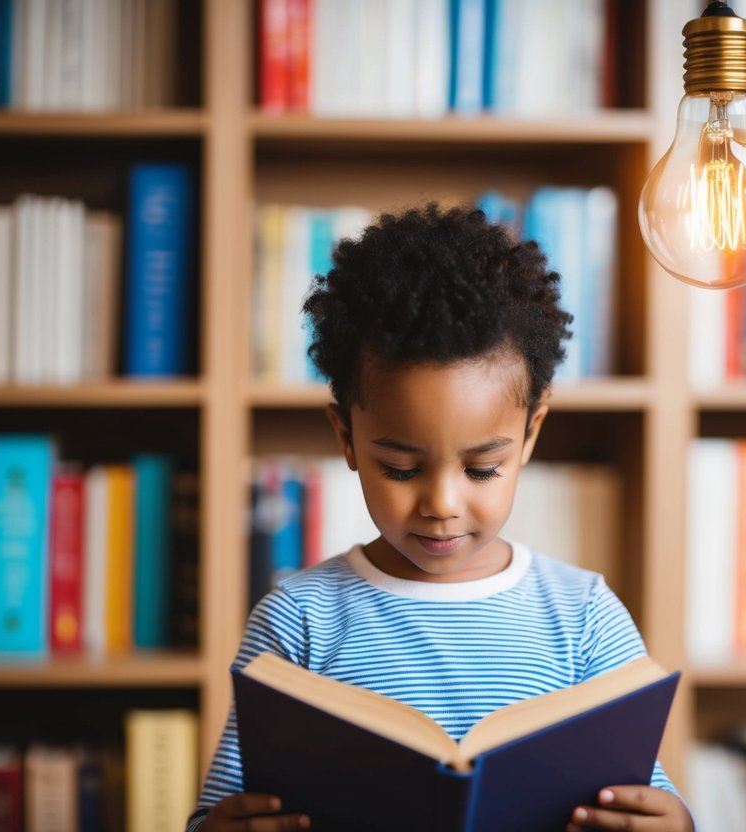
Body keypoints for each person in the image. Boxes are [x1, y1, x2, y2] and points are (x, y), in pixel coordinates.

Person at [188, 203, 694, 832]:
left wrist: (674, 823)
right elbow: (225, 810)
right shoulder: (299, 620)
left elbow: (648, 796)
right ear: (346, 437)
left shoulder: (585, 617)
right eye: (400, 468)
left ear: (530, 434)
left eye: (482, 469)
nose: (442, 504)